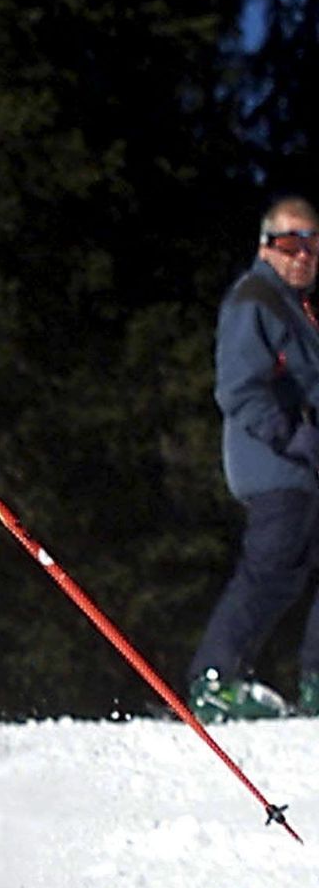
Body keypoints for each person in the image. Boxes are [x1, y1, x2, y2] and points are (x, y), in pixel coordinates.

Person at [187, 195, 319, 721]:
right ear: (266, 247)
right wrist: (294, 437)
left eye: (313, 244)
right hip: (275, 465)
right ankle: (215, 677)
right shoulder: (256, 300)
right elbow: (240, 389)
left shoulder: (298, 309)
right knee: (273, 567)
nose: (303, 254)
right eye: (290, 242)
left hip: (305, 466)